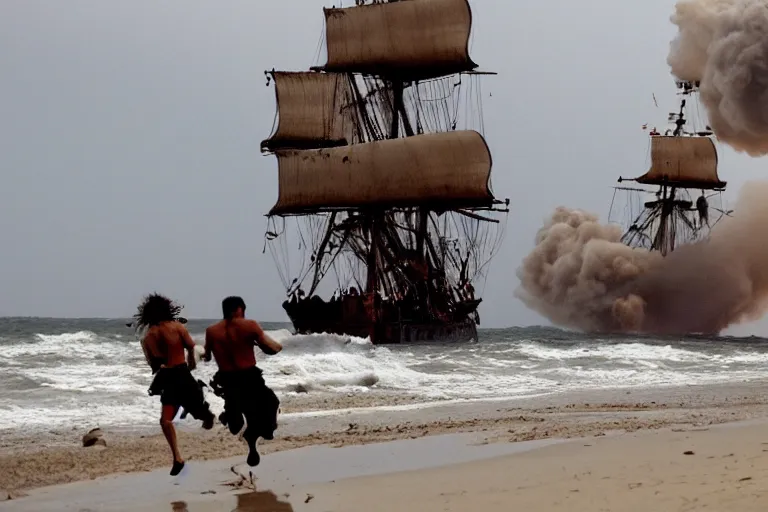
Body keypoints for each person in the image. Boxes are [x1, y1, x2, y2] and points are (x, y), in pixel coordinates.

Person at [134, 293, 215, 476]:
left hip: (168, 376)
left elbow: (154, 365)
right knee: (177, 416)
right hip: (181, 373)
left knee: (167, 420)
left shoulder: (148, 337)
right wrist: (191, 363)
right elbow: (190, 346)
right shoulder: (177, 327)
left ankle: (177, 456)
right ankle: (177, 457)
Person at [203, 296, 282, 467]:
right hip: (249, 376)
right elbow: (273, 349)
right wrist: (270, 345)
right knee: (272, 402)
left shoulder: (211, 331)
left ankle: (233, 418)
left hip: (227, 379)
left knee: (239, 416)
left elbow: (207, 357)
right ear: (239, 309)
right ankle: (257, 431)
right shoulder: (249, 325)